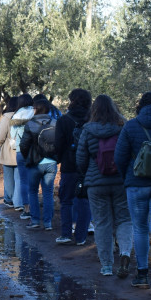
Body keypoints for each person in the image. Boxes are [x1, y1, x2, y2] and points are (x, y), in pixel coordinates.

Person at [115, 92, 151, 292]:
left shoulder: (131, 125)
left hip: (136, 185)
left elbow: (119, 157)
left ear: (142, 106)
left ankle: (142, 275)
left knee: (139, 229)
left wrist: (127, 177)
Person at [75, 94, 133, 277]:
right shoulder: (123, 127)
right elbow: (129, 154)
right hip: (120, 181)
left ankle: (107, 265)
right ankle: (124, 253)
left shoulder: (88, 130)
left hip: (96, 183)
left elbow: (81, 158)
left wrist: (88, 175)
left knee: (101, 223)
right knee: (124, 219)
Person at [53, 88, 92, 246]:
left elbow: (58, 145)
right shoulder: (93, 119)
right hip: (89, 167)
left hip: (69, 166)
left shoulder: (64, 120)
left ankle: (66, 234)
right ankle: (81, 237)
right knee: (85, 200)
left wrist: (59, 158)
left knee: (66, 200)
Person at [19, 98, 58, 230]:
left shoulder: (30, 124)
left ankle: (35, 220)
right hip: (51, 162)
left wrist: (27, 158)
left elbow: (24, 144)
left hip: (34, 163)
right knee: (48, 193)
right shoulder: (55, 123)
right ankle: (48, 223)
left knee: (33, 192)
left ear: (35, 109)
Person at [9, 94, 34, 219]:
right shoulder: (35, 111)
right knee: (34, 180)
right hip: (35, 151)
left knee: (23, 180)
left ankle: (27, 209)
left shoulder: (17, 115)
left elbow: (12, 134)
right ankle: (35, 207)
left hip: (21, 150)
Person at [0, 97, 20, 209]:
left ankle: (9, 199)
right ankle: (18, 200)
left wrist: (0, 145)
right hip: (21, 151)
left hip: (8, 151)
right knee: (18, 178)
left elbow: (1, 137)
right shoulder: (23, 116)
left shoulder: (6, 118)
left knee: (8, 177)